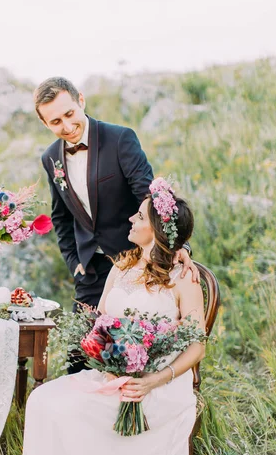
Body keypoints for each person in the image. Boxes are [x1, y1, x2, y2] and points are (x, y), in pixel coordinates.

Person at [22, 180, 206, 455]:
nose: (130, 219)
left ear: (155, 228)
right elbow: (101, 321)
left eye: (138, 216)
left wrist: (153, 380)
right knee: (43, 401)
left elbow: (197, 346)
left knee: (71, 409)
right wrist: (103, 356)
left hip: (160, 385)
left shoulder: (184, 278)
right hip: (113, 373)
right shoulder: (121, 267)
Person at [34, 76, 197, 310]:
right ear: (44, 123)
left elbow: (149, 198)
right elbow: (61, 217)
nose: (67, 127)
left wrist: (179, 245)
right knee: (80, 344)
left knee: (131, 343)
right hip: (90, 272)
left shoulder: (120, 139)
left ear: (81, 100)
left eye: (69, 114)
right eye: (56, 121)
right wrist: (75, 263)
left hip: (136, 261)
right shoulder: (50, 158)